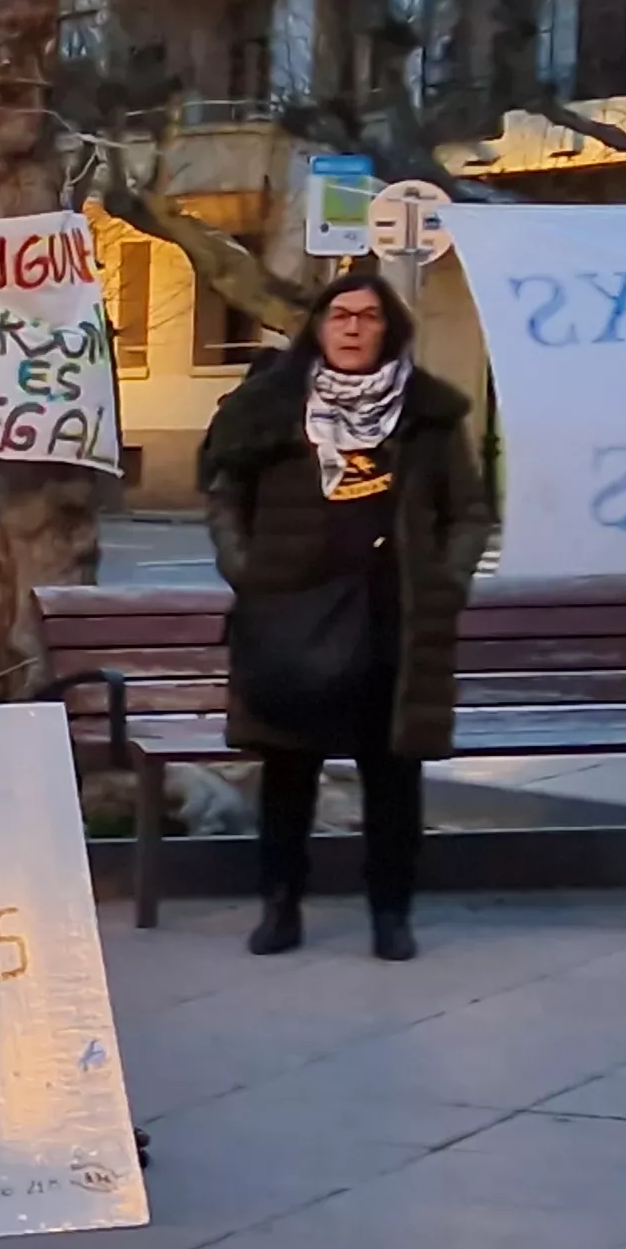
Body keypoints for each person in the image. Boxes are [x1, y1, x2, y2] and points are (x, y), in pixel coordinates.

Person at [202, 264, 486, 962]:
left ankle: (391, 913)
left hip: (394, 621)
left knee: (392, 776)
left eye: (368, 317)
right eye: (340, 316)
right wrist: (246, 569)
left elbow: (470, 512)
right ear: (319, 327)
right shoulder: (270, 405)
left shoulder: (428, 413)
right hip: (291, 620)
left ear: (389, 329)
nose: (353, 328)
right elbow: (224, 493)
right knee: (289, 772)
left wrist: (445, 581)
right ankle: (280, 906)